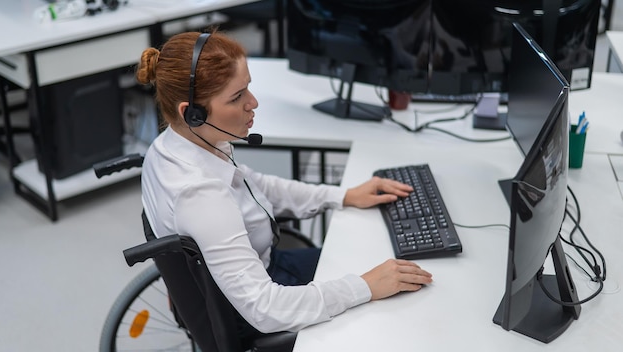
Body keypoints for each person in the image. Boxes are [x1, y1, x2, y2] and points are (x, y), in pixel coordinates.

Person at [136, 29, 432, 347]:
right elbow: (267, 309)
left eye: (247, 87)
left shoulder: (175, 143)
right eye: (237, 97)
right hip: (257, 311)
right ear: (191, 113)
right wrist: (365, 287)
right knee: (397, 305)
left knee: (377, 260)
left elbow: (258, 186)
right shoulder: (200, 196)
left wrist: (341, 196)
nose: (253, 103)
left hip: (254, 275)